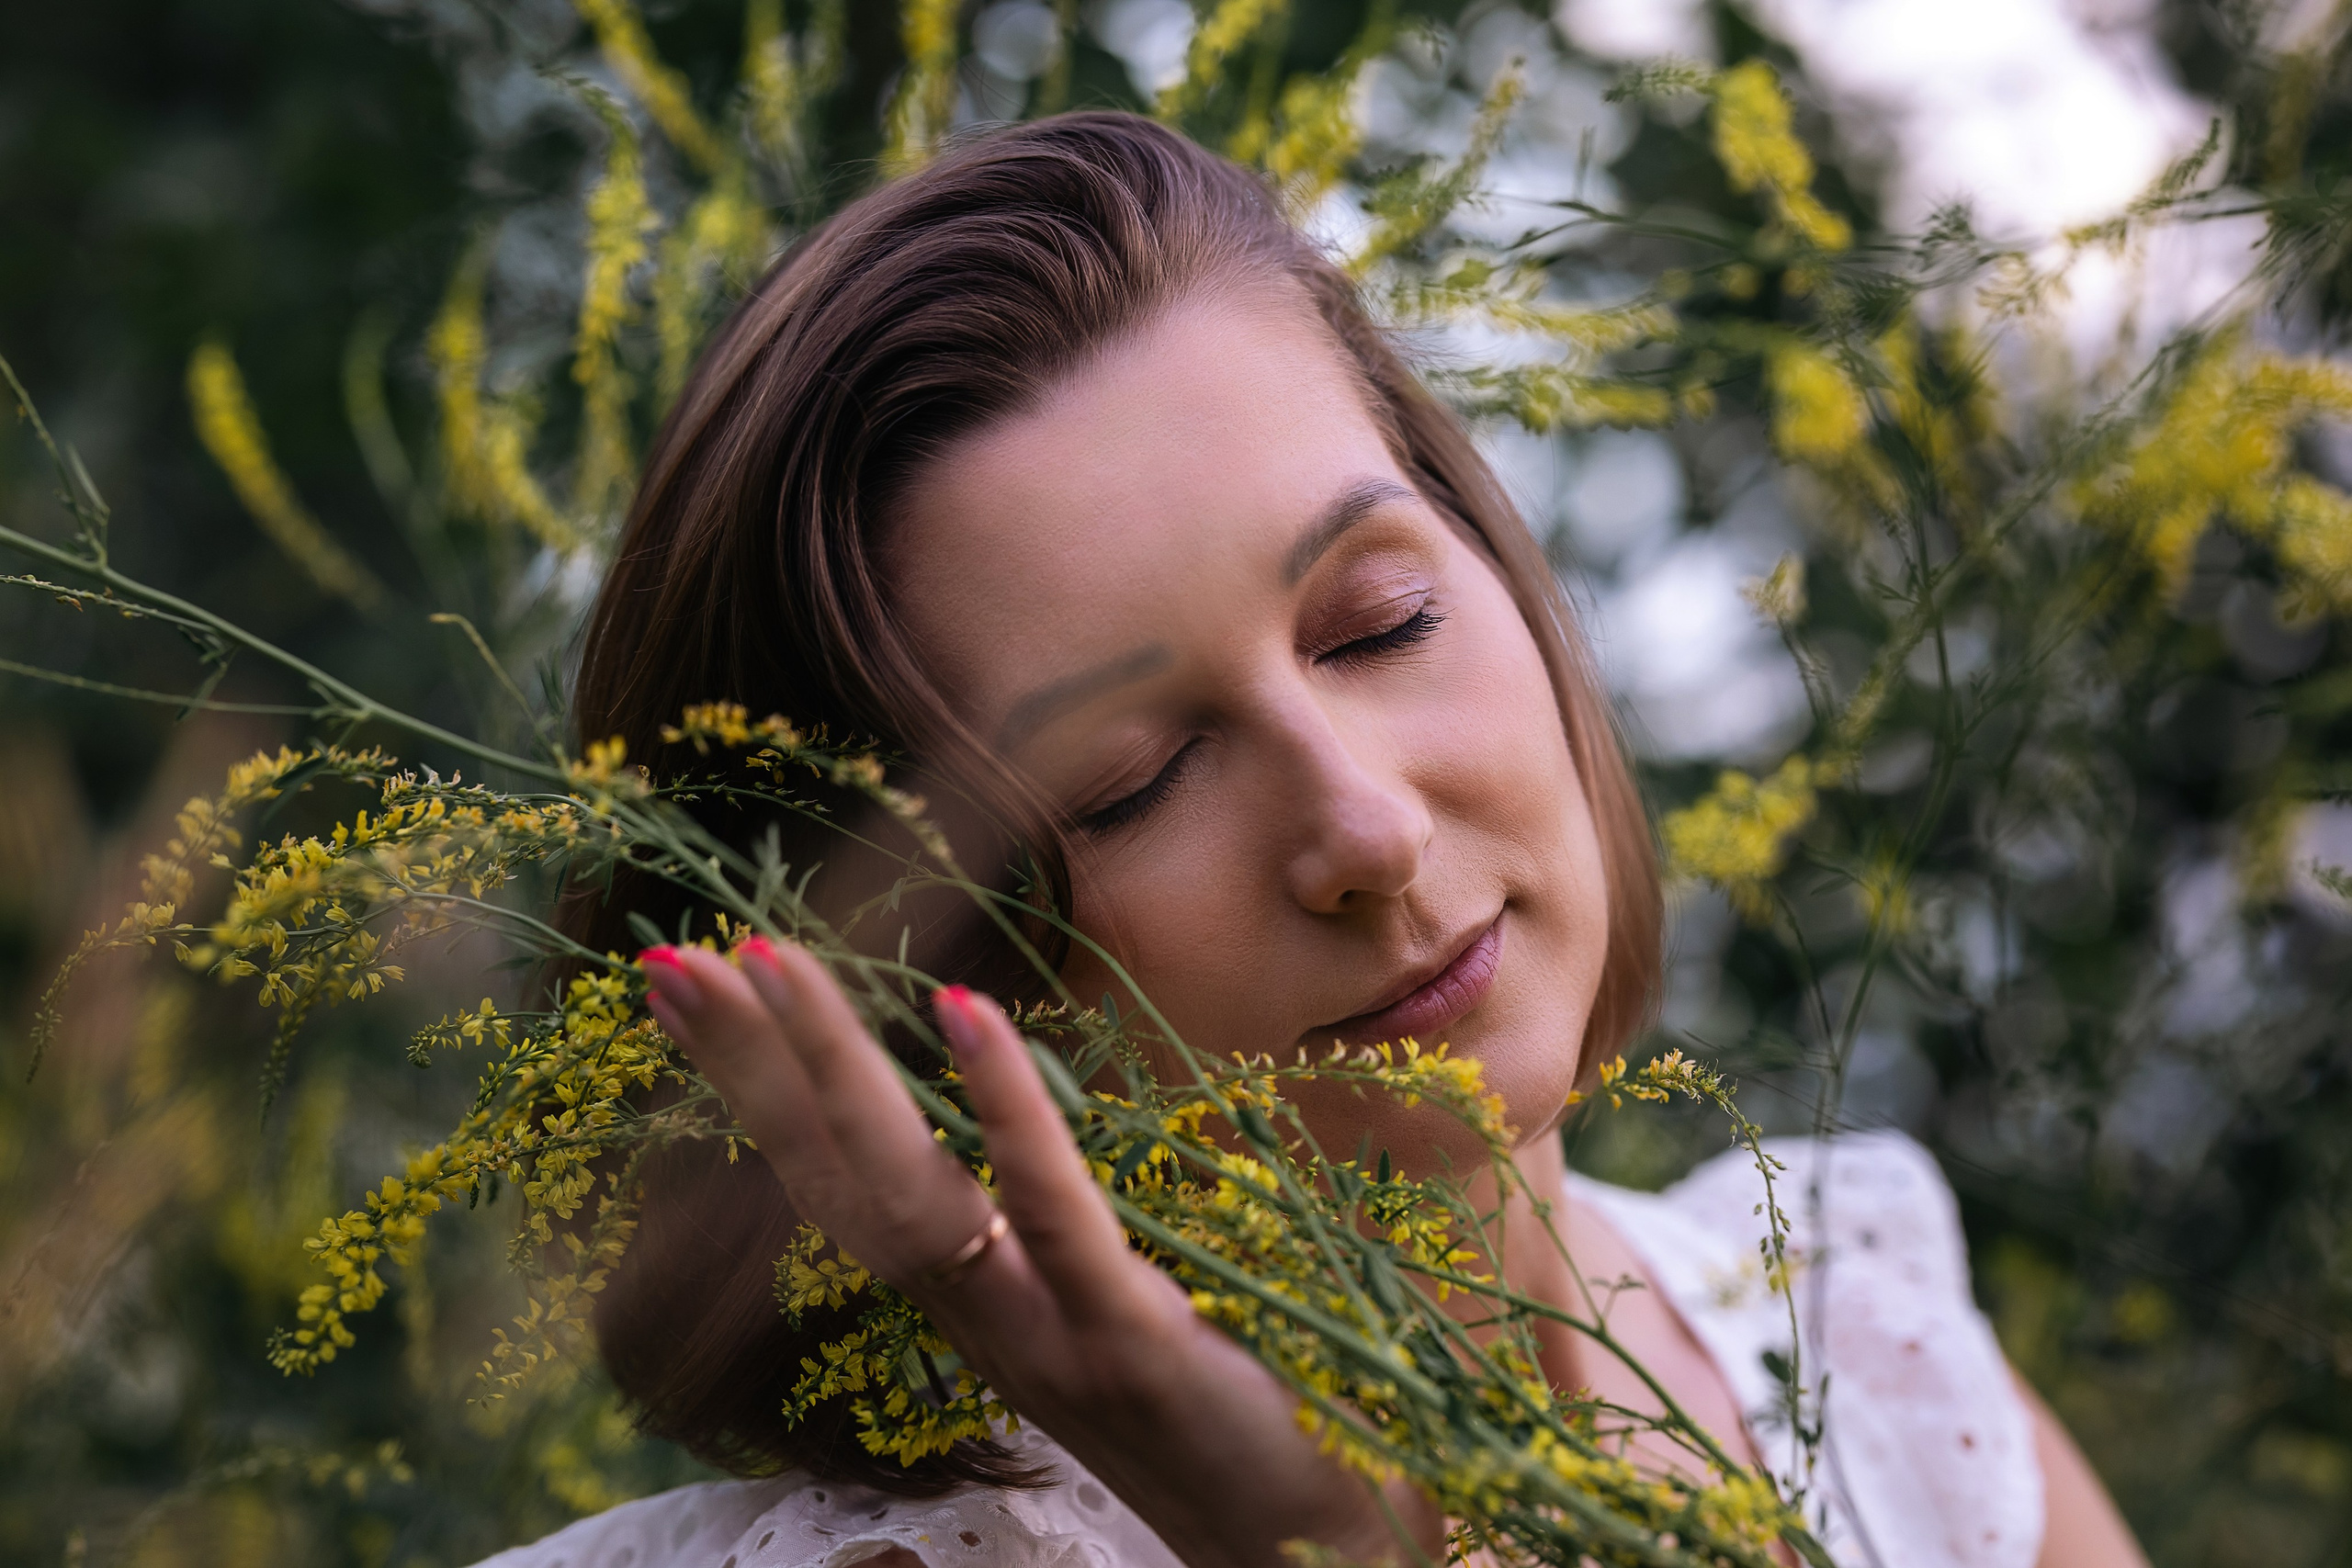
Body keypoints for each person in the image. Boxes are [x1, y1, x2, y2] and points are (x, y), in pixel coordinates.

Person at [478, 112, 2146, 1568]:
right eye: (1132, 781)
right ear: (907, 978)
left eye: (1382, 622)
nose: (1365, 827)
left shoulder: (1867, 1360)